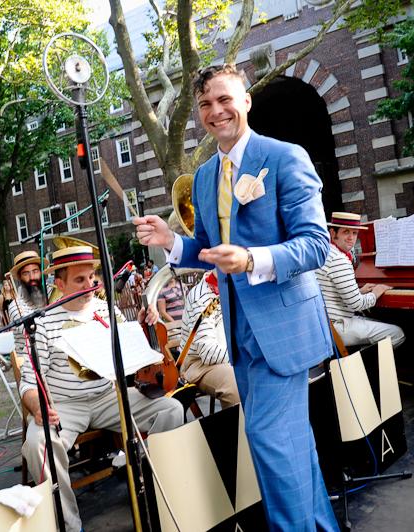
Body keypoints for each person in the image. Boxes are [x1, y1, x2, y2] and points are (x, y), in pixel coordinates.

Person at [133, 64, 338, 530]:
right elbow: (207, 250)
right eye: (205, 104)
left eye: (224, 99)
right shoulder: (204, 177)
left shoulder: (286, 157)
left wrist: (251, 259)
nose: (215, 111)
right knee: (291, 444)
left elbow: (315, 244)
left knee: (269, 440)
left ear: (246, 100)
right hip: (238, 334)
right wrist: (171, 240)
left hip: (282, 331)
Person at [20, 245, 183, 532]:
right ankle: (69, 525)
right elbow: (29, 382)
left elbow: (134, 355)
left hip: (109, 395)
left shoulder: (107, 311)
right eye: (79, 280)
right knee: (38, 444)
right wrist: (37, 407)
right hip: (65, 404)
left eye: (92, 277)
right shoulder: (42, 324)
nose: (90, 285)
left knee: (171, 409)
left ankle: (152, 487)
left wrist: (145, 328)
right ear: (59, 284)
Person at [316, 212, 405, 349]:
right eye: (346, 232)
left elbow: (334, 292)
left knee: (377, 322)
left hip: (323, 325)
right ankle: (365, 367)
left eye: (355, 233)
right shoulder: (339, 259)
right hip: (337, 326)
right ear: (333, 233)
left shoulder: (325, 252)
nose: (351, 238)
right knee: (397, 333)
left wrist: (359, 291)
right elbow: (356, 305)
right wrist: (376, 292)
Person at [180, 270, 239, 408]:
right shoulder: (200, 297)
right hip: (198, 363)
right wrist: (243, 354)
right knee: (235, 382)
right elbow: (208, 354)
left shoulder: (235, 287)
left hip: (226, 356)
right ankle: (238, 429)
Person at [0, 250, 47, 358]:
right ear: (19, 277)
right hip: (31, 362)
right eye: (26, 273)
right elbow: (36, 333)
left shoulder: (50, 293)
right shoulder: (15, 306)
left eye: (35, 271)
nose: (32, 277)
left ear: (41, 271)